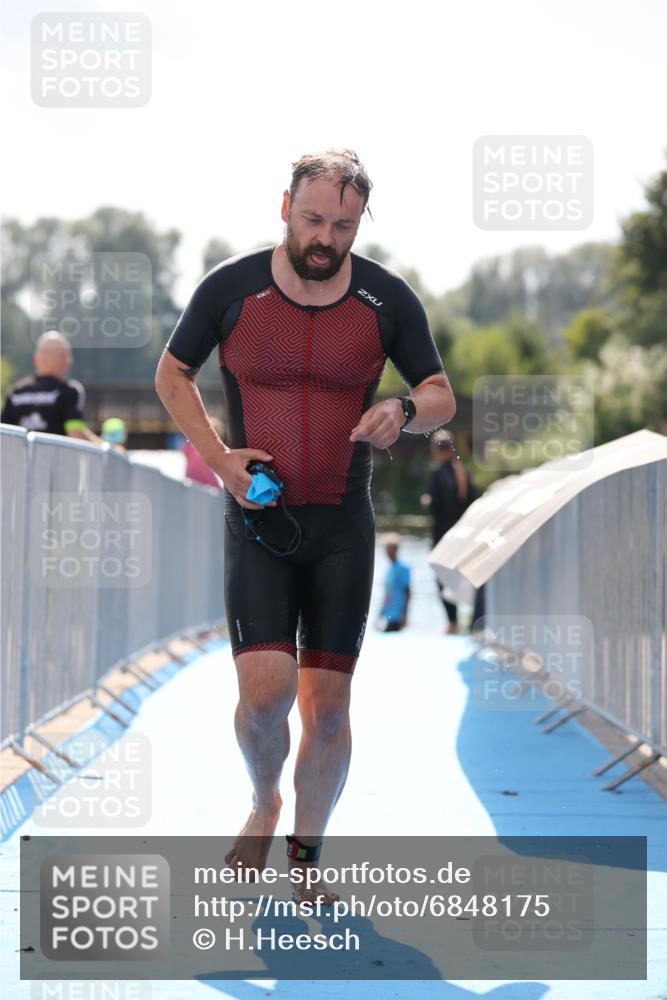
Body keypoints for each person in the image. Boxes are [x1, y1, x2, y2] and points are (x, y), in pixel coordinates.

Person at [155, 148, 456, 903]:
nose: (326, 238)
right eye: (314, 219)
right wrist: (219, 459)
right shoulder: (231, 289)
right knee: (265, 695)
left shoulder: (386, 300)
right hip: (258, 520)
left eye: (343, 226)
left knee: (327, 712)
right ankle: (264, 802)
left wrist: (404, 410)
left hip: (342, 526)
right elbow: (172, 373)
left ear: (360, 223)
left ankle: (306, 857)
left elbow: (439, 393)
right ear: (284, 207)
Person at [1, 330, 104, 445]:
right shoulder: (69, 391)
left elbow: (3, 437)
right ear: (65, 359)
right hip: (58, 457)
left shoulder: (15, 392)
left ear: (36, 359)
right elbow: (76, 434)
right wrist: (108, 449)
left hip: (20, 457)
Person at [422, 430, 471, 633]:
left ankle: (452, 622)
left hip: (443, 535)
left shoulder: (437, 473)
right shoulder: (463, 472)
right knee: (462, 576)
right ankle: (469, 619)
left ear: (435, 449)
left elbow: (435, 505)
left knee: (442, 578)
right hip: (463, 536)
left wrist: (427, 501)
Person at [376, 532, 411, 632]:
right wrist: (380, 613)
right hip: (388, 614)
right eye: (386, 548)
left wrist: (405, 615)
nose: (388, 551)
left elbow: (407, 592)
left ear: (396, 549)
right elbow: (387, 593)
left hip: (397, 615)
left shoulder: (403, 568)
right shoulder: (389, 569)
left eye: (390, 548)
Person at [181, 416, 224, 489]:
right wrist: (216, 486)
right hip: (201, 482)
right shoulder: (207, 447)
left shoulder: (190, 444)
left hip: (190, 478)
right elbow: (202, 468)